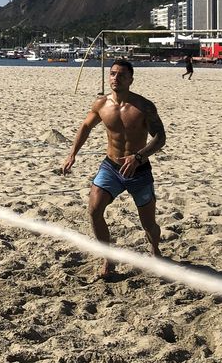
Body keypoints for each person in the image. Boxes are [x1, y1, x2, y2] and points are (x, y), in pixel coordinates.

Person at [61, 59, 167, 279]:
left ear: (130, 79)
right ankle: (108, 259)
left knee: (148, 224)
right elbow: (85, 127)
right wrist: (72, 153)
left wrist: (138, 157)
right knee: (94, 210)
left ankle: (155, 251)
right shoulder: (101, 105)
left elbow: (160, 138)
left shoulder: (143, 106)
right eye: (112, 74)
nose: (115, 78)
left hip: (139, 171)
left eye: (121, 75)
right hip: (111, 168)